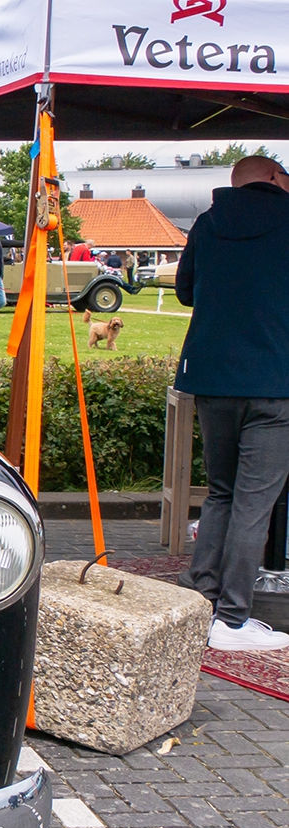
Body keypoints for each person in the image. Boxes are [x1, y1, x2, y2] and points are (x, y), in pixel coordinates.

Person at [174, 154, 289, 651]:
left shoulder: (206, 223)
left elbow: (183, 291)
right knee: (255, 500)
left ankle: (202, 593)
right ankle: (234, 619)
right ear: (270, 178)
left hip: (212, 376)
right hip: (275, 381)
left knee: (221, 490)